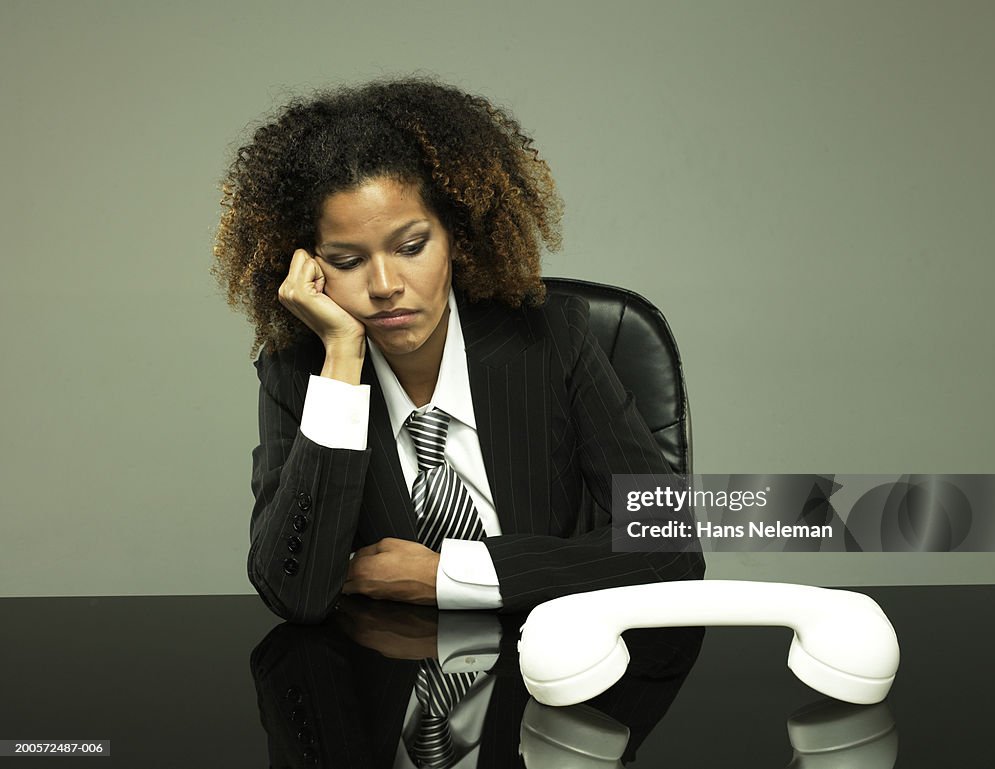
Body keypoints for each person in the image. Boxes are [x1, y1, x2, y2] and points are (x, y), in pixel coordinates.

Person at [213, 77, 704, 624]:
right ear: (309, 267)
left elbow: (670, 543)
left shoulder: (551, 338)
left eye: (411, 247)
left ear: (458, 238)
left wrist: (451, 576)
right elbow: (294, 594)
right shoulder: (303, 375)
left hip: (547, 676)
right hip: (384, 691)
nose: (383, 285)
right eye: (347, 261)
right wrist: (342, 357)